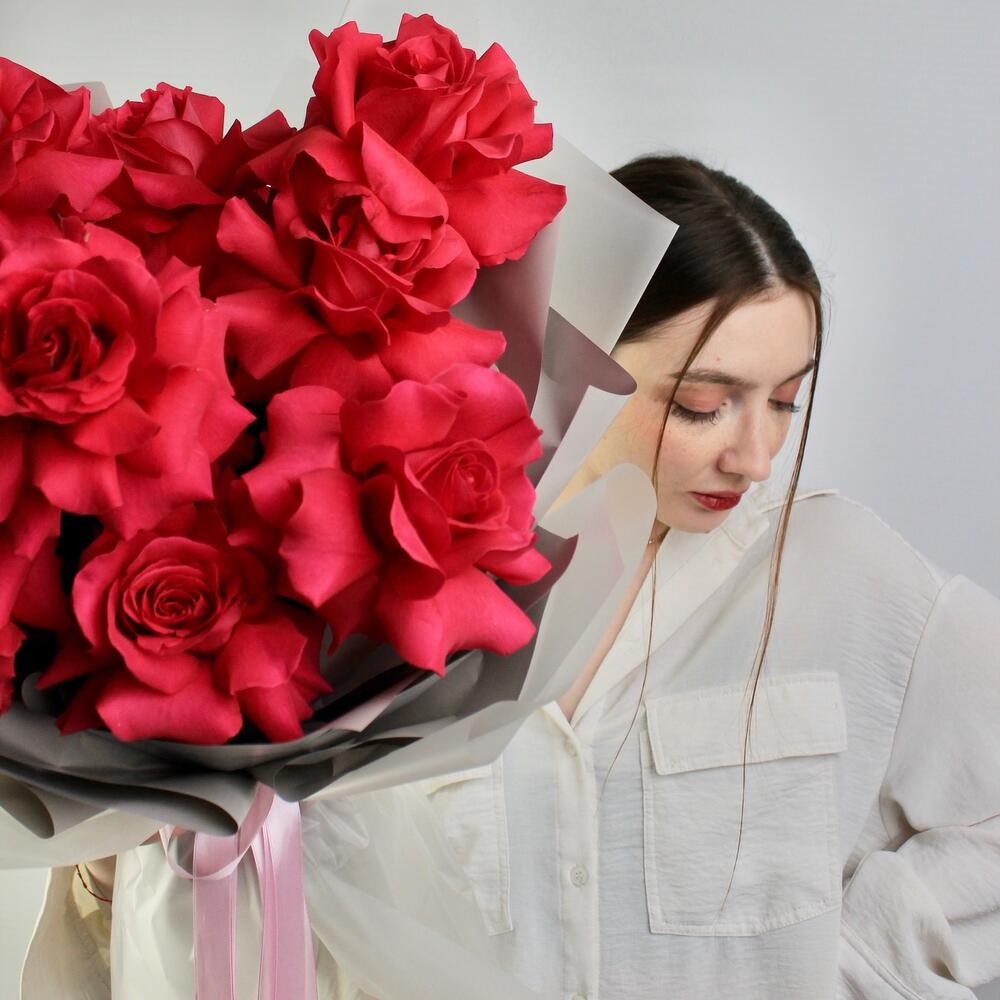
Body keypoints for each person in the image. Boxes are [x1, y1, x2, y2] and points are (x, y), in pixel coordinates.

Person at [14, 154, 1000, 1000]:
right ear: (579, 350)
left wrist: (858, 964)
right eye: (704, 404)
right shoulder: (385, 612)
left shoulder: (842, 577)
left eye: (785, 400)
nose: (755, 455)